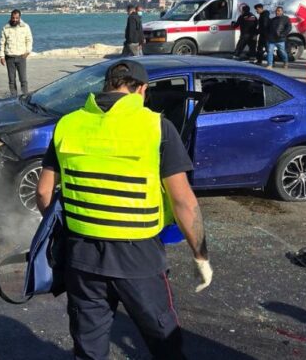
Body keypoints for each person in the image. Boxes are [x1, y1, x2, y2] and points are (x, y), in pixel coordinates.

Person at [35, 60, 211, 359]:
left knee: (89, 346)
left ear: (106, 84)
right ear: (141, 89)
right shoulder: (157, 126)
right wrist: (200, 255)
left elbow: (42, 192)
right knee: (164, 341)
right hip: (138, 257)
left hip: (81, 257)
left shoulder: (68, 123)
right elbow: (183, 201)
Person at [0, 9, 33, 97]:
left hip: (21, 57)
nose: (14, 20)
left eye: (16, 18)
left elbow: (29, 40)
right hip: (9, 57)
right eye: (13, 18)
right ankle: (13, 98)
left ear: (19, 17)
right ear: (11, 17)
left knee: (23, 79)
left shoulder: (25, 26)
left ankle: (25, 96)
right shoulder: (5, 28)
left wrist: (28, 51)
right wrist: (2, 56)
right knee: (11, 80)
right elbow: (2, 43)